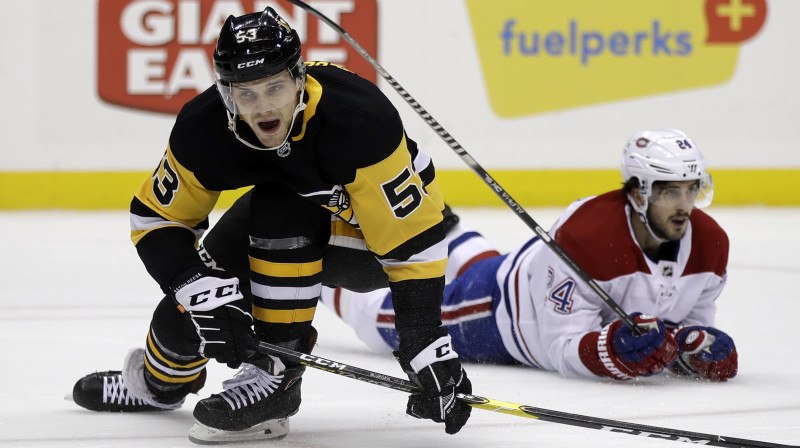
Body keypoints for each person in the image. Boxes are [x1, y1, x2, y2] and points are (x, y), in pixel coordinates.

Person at [71, 7, 471, 444]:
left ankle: (276, 377)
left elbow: (412, 240)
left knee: (281, 200)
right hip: (284, 220)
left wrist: (423, 341)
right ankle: (157, 385)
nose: (263, 108)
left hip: (374, 242)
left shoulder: (358, 118)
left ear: (300, 78)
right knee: (180, 320)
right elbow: (156, 218)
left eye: (275, 87)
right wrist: (200, 292)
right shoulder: (203, 129)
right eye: (247, 94)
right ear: (226, 94)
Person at [320, 128, 738, 383]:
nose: (684, 204)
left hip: (523, 271)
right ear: (637, 193)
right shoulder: (590, 236)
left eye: (690, 188)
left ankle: (447, 229)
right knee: (390, 317)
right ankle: (321, 279)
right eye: (669, 191)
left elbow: (687, 328)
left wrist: (693, 347)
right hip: (503, 314)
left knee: (487, 265)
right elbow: (558, 344)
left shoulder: (711, 244)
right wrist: (609, 352)